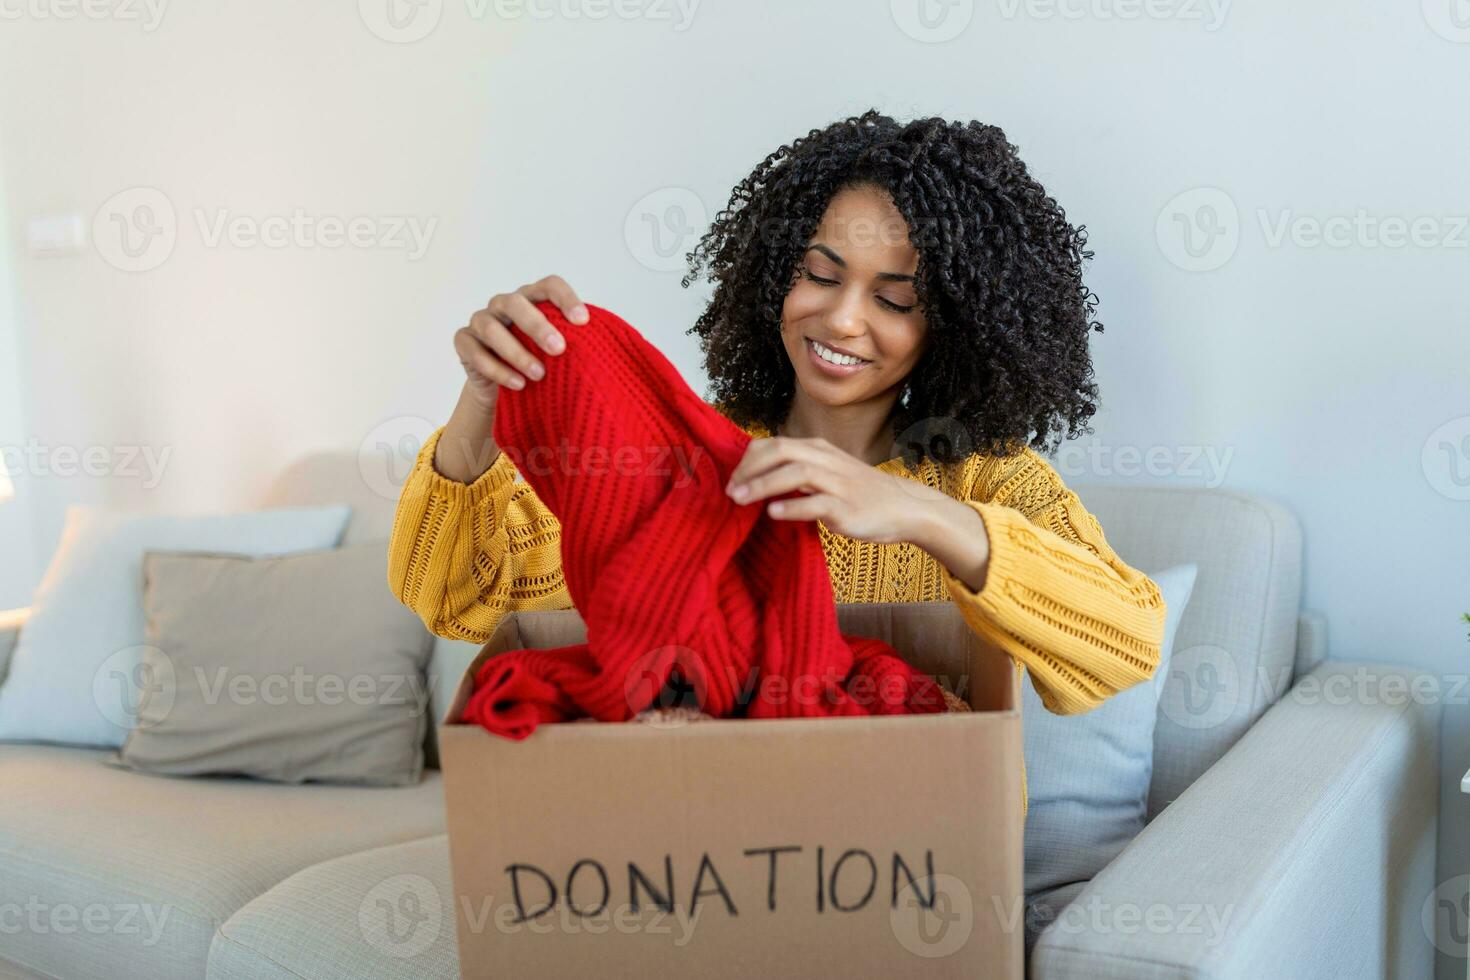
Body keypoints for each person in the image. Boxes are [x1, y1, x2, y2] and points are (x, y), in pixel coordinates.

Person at [387, 110, 1166, 746]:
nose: (843, 317)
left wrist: (921, 515)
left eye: (895, 301)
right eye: (819, 275)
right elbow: (460, 604)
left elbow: (1126, 647)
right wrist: (483, 408)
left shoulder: (984, 481)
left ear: (954, 330)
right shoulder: (687, 462)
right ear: (773, 274)